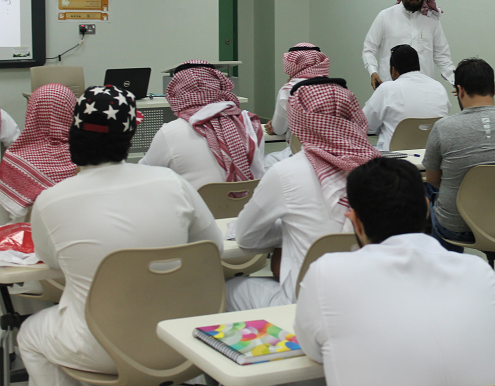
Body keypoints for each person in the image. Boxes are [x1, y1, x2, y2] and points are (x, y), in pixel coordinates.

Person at [18, 85, 223, 386]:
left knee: (29, 334)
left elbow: (51, 263)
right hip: (182, 340)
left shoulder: (50, 200)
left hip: (101, 348)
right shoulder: (172, 182)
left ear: (74, 132)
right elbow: (212, 248)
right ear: (129, 136)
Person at [294, 157, 495, 386]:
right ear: (427, 209)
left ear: (355, 222)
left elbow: (313, 350)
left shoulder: (327, 273)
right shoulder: (479, 270)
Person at [225, 78, 380, 310]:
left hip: (304, 305)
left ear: (298, 121)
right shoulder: (386, 172)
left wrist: (290, 230)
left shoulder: (285, 173)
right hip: (369, 300)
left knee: (227, 289)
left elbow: (246, 237)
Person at [422, 57, 495, 250]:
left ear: (460, 90)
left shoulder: (443, 128)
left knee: (425, 189)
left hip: (458, 228)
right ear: (494, 89)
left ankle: (445, 262)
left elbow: (433, 179)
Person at [140, 60, 264, 191]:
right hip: (247, 202)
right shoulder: (251, 124)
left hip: (196, 204)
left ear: (176, 95)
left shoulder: (169, 133)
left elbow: (143, 175)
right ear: (218, 88)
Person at [363, 0, 455, 89]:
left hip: (424, 89)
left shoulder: (431, 20)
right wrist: (373, 71)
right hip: (392, 89)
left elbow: (442, 56)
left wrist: (457, 82)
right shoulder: (385, 16)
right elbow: (368, 49)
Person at [0, 84, 77, 225]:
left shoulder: (14, 160)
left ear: (31, 111)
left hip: (24, 236)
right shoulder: (85, 160)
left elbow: (3, 221)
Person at [363, 44, 451, 151]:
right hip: (431, 156)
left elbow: (364, 123)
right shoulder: (438, 87)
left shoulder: (386, 89)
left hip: (395, 158)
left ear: (393, 70)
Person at [263, 43, 330, 165]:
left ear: (292, 64)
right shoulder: (334, 87)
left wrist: (272, 126)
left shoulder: (289, 89)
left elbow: (278, 129)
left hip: (303, 155)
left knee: (262, 163)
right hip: (336, 154)